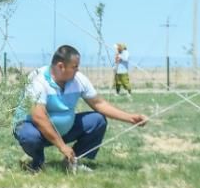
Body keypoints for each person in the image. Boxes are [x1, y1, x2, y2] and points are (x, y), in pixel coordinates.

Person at [14, 45, 148, 172]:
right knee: (29, 136)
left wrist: (131, 118)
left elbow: (99, 104)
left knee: (97, 120)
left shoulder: (79, 79)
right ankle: (37, 163)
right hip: (32, 127)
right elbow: (39, 117)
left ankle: (74, 161)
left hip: (64, 130)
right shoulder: (37, 80)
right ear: (61, 66)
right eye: (75, 67)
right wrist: (62, 146)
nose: (77, 70)